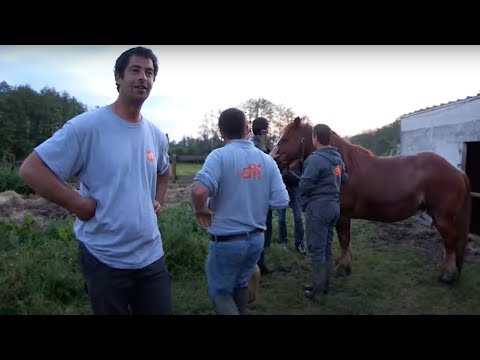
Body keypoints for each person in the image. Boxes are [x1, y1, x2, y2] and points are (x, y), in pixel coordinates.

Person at [19, 46, 173, 315]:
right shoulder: (87, 127)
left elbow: (164, 171)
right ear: (118, 77)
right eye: (135, 71)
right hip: (105, 257)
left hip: (151, 256)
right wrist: (76, 204)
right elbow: (32, 169)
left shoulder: (155, 134)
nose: (142, 78)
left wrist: (158, 200)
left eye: (149, 73)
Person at [191, 108, 289, 315]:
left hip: (227, 241)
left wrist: (201, 209)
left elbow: (199, 190)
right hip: (255, 241)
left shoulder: (219, 156)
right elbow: (282, 200)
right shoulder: (266, 161)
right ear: (246, 128)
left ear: (220, 132)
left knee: (220, 293)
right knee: (240, 283)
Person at [298, 124, 348, 301]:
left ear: (315, 138)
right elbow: (344, 178)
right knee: (326, 247)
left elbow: (304, 184)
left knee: (316, 249)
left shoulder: (315, 159)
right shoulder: (337, 158)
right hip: (334, 206)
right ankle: (323, 284)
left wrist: (301, 198)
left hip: (318, 208)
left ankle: (317, 292)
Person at [248, 117, 273, 274]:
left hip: (260, 195)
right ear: (263, 131)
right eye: (267, 130)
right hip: (258, 196)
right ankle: (256, 265)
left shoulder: (259, 145)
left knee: (262, 229)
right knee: (259, 230)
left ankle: (260, 263)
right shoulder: (256, 147)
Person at [277, 162, 306, 255]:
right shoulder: (281, 154)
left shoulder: (299, 155)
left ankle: (299, 243)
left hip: (295, 189)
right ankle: (283, 241)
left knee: (298, 218)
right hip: (282, 188)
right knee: (281, 219)